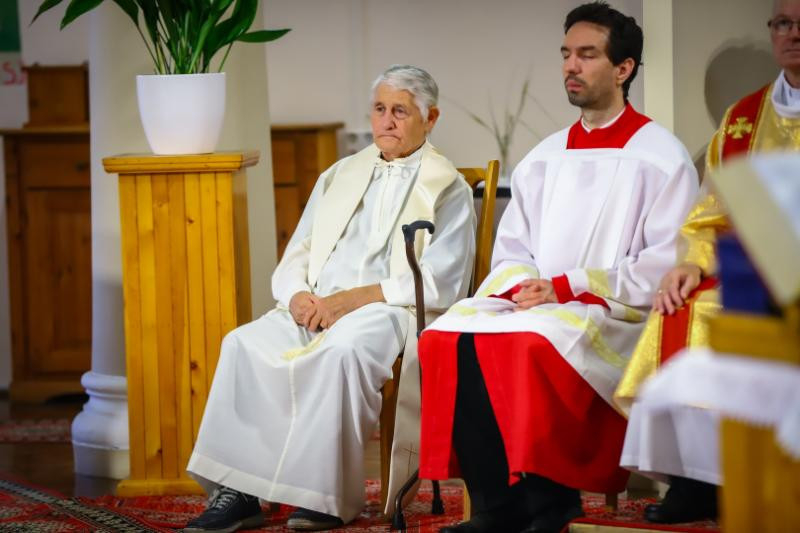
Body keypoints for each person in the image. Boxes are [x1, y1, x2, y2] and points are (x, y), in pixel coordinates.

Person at [416, 3, 699, 533]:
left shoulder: (661, 157)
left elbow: (665, 262)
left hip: (615, 311)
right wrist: (522, 288)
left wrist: (568, 286)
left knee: (531, 343)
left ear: (623, 68)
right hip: (539, 303)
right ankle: (498, 504)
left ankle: (552, 504)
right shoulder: (545, 156)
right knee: (445, 337)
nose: (570, 65)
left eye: (587, 55)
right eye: (566, 53)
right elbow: (513, 247)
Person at [182, 64, 476, 532]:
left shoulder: (448, 186)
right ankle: (239, 491)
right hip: (317, 304)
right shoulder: (340, 174)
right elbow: (299, 249)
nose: (386, 121)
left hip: (388, 309)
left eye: (400, 111)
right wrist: (296, 294)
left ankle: (324, 498)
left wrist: (353, 300)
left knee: (341, 353)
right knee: (242, 343)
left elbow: (443, 279)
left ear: (431, 117)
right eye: (379, 109)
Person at [616, 0, 800, 524]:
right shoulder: (744, 119)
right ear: (772, 32)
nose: (794, 34)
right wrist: (691, 263)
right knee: (682, 306)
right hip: (753, 272)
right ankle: (697, 482)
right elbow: (711, 211)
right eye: (784, 24)